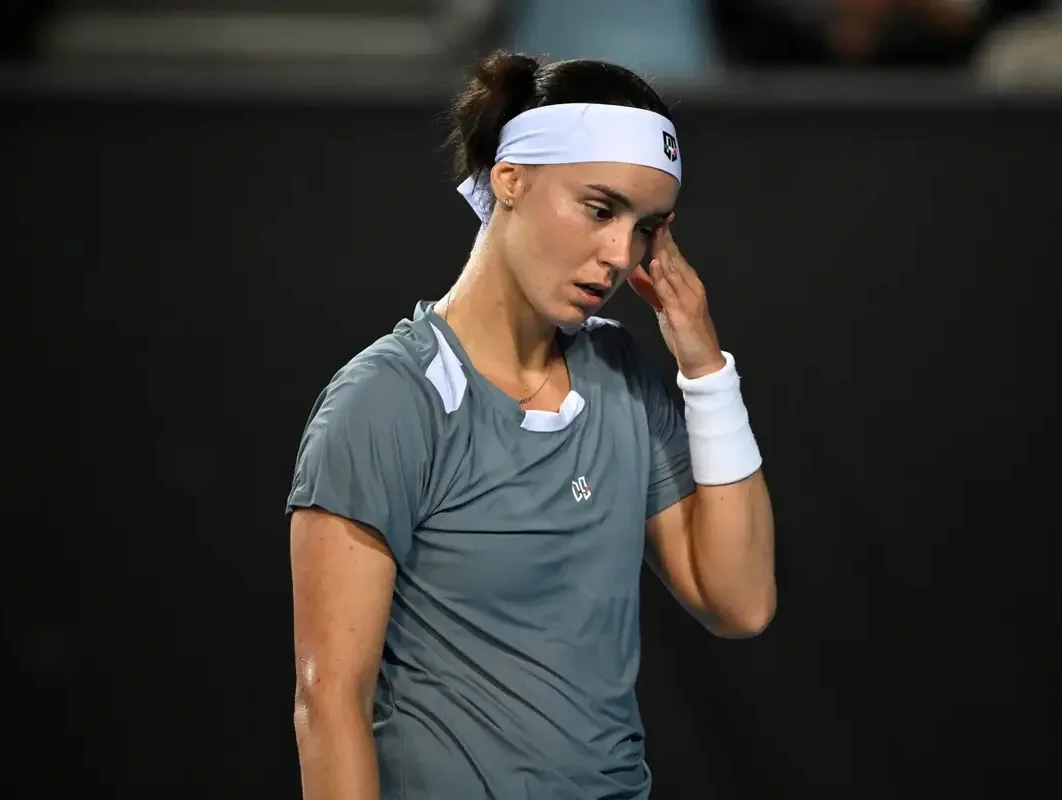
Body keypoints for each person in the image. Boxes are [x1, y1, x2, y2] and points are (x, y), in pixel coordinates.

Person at [287, 50, 777, 800]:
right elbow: (329, 703)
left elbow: (740, 602)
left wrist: (705, 368)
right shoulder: (386, 401)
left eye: (647, 227)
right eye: (600, 209)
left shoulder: (619, 374)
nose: (620, 256)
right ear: (509, 179)